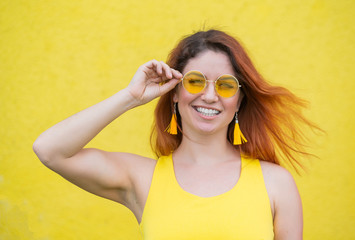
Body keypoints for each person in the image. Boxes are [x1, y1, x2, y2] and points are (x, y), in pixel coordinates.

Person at [33, 29, 316, 239]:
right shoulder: (142, 178)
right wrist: (131, 96)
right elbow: (49, 149)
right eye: (195, 81)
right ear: (174, 93)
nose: (209, 96)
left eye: (226, 85)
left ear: (240, 100)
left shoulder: (276, 183)